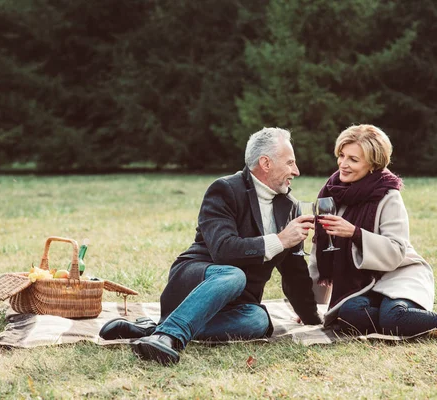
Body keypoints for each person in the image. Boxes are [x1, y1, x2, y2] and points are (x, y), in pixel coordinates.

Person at [100, 127, 321, 364]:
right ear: (265, 163)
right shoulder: (225, 190)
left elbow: (294, 272)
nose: (296, 171)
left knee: (259, 320)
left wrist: (312, 319)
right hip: (199, 280)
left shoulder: (291, 207)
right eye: (290, 163)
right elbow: (223, 250)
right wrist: (279, 240)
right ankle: (166, 338)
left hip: (237, 305)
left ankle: (156, 329)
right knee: (234, 275)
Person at [308, 124, 437, 337]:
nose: (343, 164)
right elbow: (321, 250)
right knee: (350, 315)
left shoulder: (388, 196)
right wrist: (311, 306)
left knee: (394, 318)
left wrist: (355, 233)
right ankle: (409, 319)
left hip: (400, 274)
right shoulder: (331, 193)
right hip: (364, 286)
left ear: (372, 164)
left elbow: (397, 251)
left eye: (353, 159)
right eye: (342, 155)